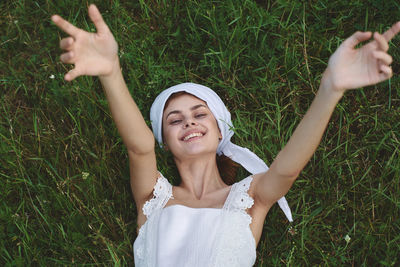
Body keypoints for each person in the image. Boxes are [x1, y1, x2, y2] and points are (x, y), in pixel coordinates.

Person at [51, 4, 399, 267]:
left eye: (200, 114)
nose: (189, 123)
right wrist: (111, 72)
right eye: (174, 120)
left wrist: (330, 88)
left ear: (221, 131)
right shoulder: (153, 198)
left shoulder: (251, 197)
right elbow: (138, 147)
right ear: (163, 139)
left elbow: (287, 168)